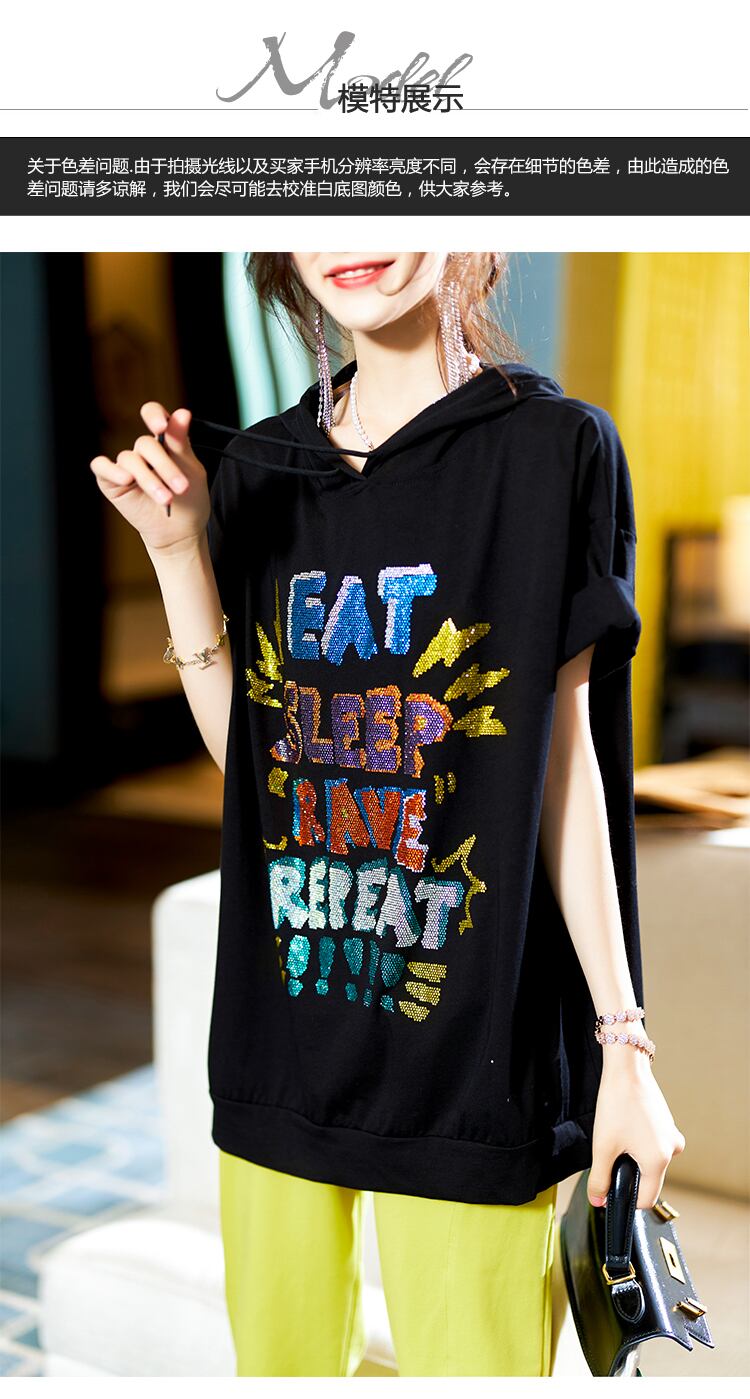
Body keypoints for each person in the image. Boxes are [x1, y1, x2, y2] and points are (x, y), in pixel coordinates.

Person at [89, 251, 686, 1378]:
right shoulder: (262, 466)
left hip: (476, 1066)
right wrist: (176, 550)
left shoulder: (552, 449)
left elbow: (566, 773)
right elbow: (256, 772)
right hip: (281, 1041)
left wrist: (624, 1048)